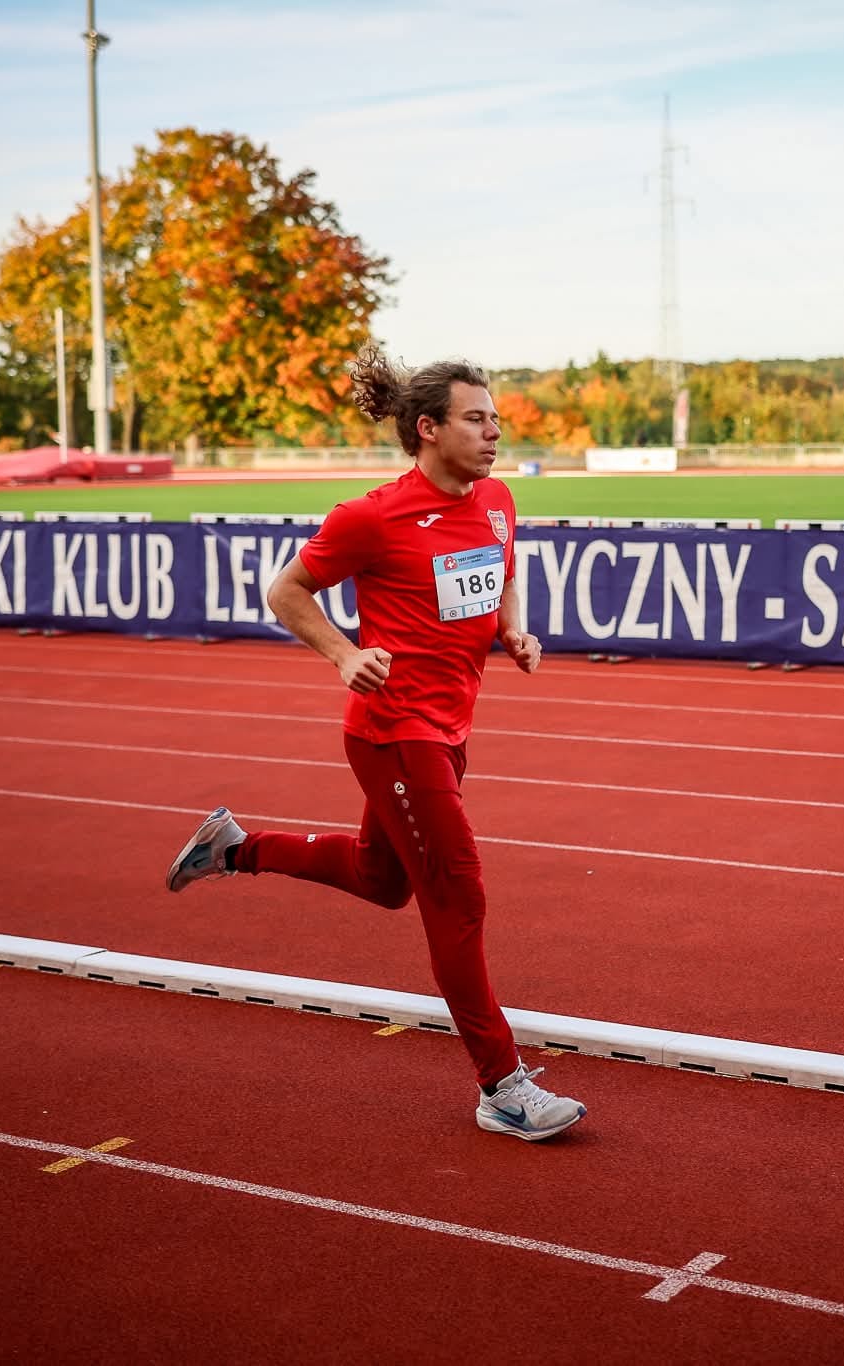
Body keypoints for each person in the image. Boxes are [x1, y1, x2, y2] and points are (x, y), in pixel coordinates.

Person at [164, 345, 585, 1143]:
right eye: (476, 419)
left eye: (495, 418)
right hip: (395, 731)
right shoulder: (372, 517)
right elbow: (287, 590)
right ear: (428, 429)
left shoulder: (497, 500)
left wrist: (511, 630)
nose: (494, 431)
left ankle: (235, 848)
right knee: (457, 896)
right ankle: (502, 1087)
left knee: (380, 878)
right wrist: (343, 654)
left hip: (450, 727)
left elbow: (501, 569)